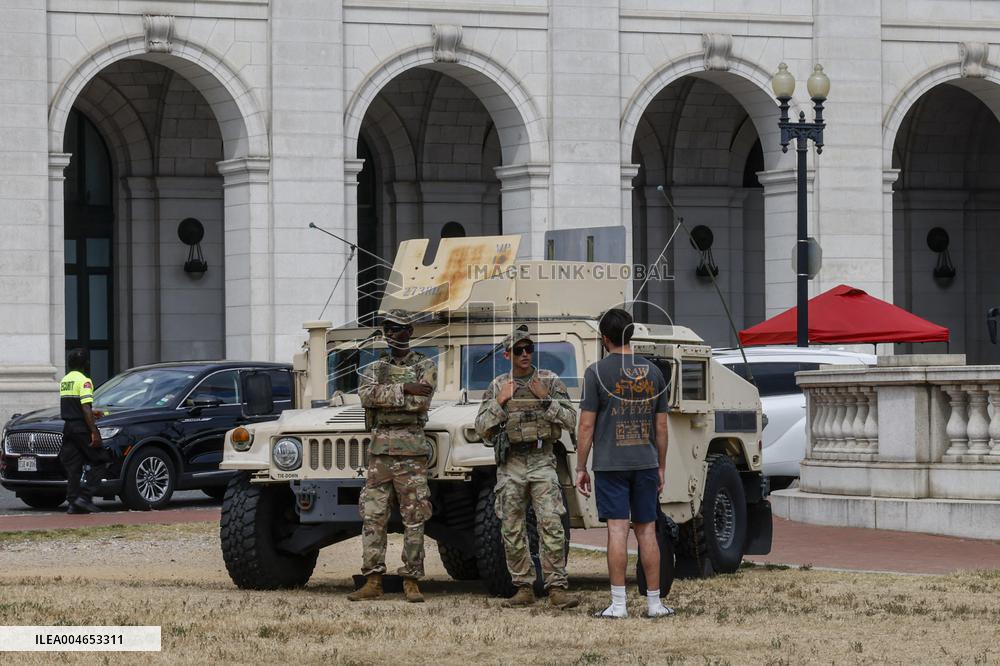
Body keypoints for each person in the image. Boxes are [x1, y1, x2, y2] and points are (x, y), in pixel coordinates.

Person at [575, 308, 673, 618]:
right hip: (644, 461)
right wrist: (661, 466)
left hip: (610, 463)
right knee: (647, 530)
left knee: (617, 530)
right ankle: (654, 603)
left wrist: (580, 466)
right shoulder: (653, 373)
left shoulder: (596, 373)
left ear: (605, 339)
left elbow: (586, 426)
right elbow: (661, 427)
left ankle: (618, 605)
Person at [475, 327, 580, 610]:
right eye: (519, 350)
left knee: (551, 523)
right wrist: (500, 402)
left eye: (528, 349)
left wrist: (545, 399)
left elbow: (571, 419)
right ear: (508, 354)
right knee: (511, 527)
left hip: (542, 458)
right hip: (511, 463)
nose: (525, 355)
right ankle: (523, 587)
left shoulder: (549, 380)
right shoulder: (499, 385)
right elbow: (481, 428)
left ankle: (556, 587)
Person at [348, 310, 437, 603]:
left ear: (410, 331)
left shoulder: (425, 364)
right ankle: (373, 578)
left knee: (415, 517)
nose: (391, 334)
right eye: (387, 328)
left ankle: (411, 579)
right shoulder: (375, 367)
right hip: (380, 452)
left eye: (398, 329)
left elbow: (420, 401)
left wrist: (394, 395)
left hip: (411, 452)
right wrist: (404, 388)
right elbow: (367, 396)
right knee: (373, 516)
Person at [58, 348, 109, 514]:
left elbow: (73, 405)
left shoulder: (65, 380)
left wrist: (92, 411)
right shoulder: (85, 381)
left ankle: (73, 503)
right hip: (81, 428)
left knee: (73, 466)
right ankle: (85, 497)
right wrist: (94, 432)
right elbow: (85, 407)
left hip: (68, 428)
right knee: (101, 460)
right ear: (86, 364)